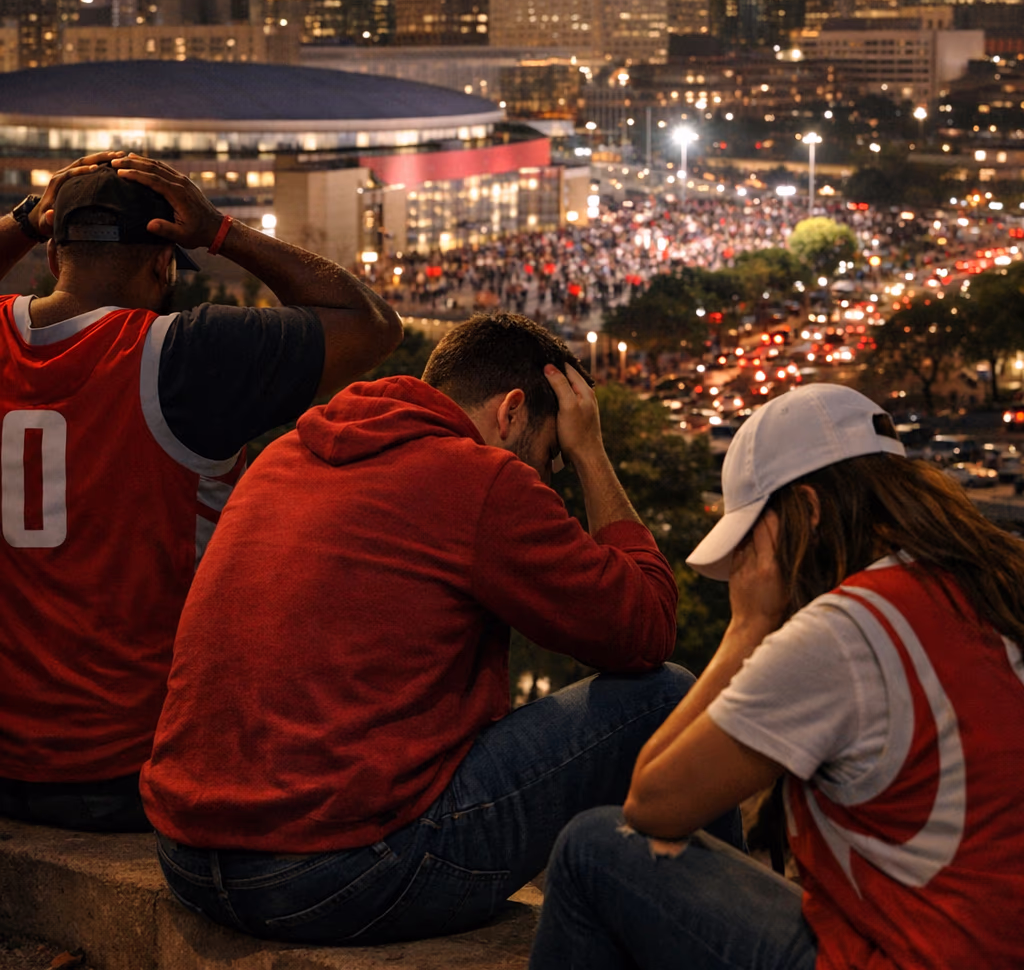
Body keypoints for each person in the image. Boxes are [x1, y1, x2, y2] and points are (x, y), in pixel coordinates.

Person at [141, 312, 730, 944]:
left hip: (187, 855)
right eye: (550, 454)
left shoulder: (284, 455)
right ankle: (726, 937)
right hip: (331, 876)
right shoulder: (481, 478)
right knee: (667, 696)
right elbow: (647, 624)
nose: (548, 478)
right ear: (511, 412)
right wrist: (591, 453)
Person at [531, 382, 1024, 970]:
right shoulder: (989, 584)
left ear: (807, 514)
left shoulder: (847, 630)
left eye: (749, 544)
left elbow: (652, 803)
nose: (745, 567)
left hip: (908, 956)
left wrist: (748, 625)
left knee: (593, 849)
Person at [0, 151, 402, 833]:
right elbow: (369, 324)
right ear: (163, 264)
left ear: (51, 260)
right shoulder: (182, 355)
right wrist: (221, 233)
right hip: (135, 765)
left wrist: (22, 221)